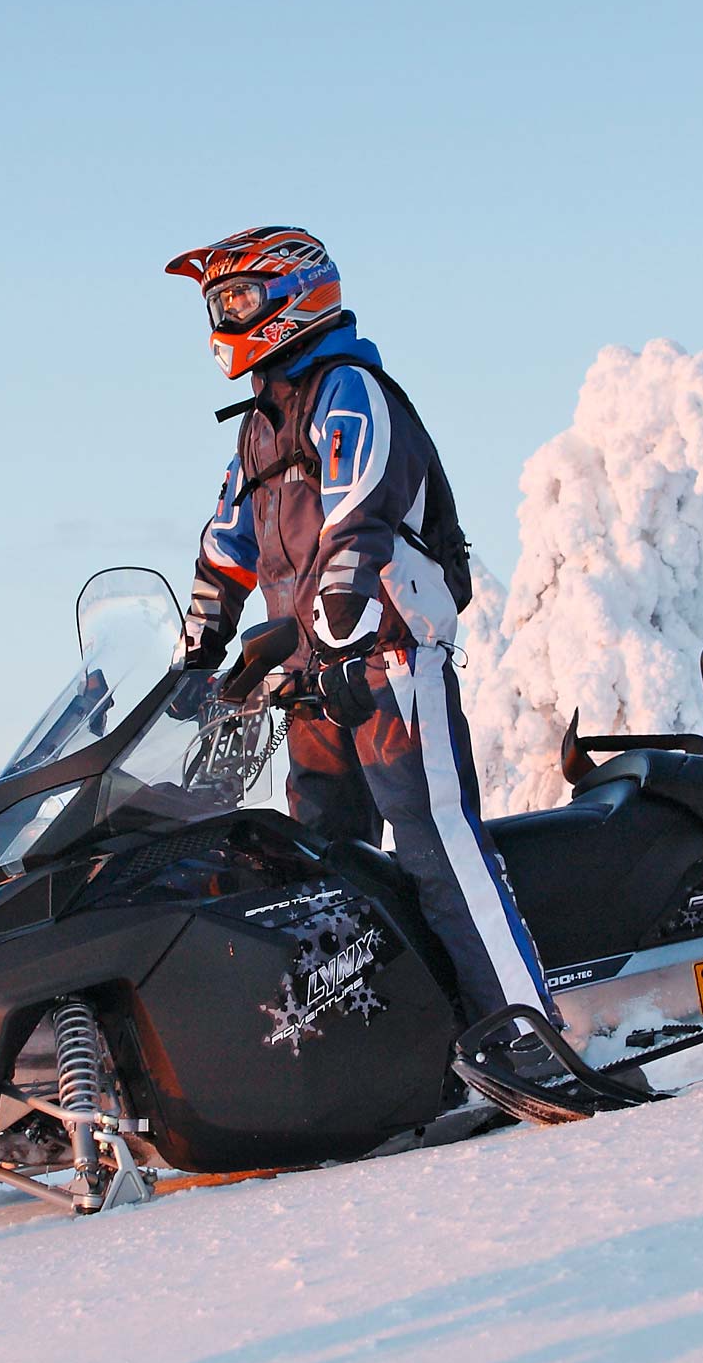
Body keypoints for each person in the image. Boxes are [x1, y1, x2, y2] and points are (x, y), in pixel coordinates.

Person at [164, 226, 553, 1016]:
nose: (223, 319)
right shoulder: (259, 426)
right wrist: (194, 656)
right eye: (217, 304)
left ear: (295, 291)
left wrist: (344, 638)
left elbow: (359, 522)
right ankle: (378, 1051)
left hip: (388, 662)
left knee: (434, 838)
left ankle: (522, 1028)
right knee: (323, 866)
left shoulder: (350, 390)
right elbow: (226, 550)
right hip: (312, 681)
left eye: (236, 298)